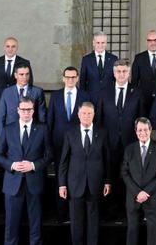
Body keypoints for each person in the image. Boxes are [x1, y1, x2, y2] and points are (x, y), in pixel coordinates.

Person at [0, 97, 50, 245]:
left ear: (33, 111)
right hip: (13, 182)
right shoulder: (8, 128)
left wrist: (33, 165)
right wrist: (12, 165)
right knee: (11, 225)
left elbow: (49, 155)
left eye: (29, 109)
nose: (26, 112)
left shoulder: (42, 128)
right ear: (18, 110)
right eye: (23, 109)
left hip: (34, 182)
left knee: (35, 224)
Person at [58, 102, 111, 245]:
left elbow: (107, 159)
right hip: (75, 184)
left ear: (94, 115)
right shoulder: (70, 133)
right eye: (84, 113)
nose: (86, 116)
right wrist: (62, 184)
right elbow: (64, 160)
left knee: (93, 223)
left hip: (95, 183)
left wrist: (107, 180)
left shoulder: (103, 132)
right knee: (76, 223)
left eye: (89, 113)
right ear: (78, 115)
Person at [97, 60, 142, 215]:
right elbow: (99, 119)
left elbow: (141, 118)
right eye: (118, 71)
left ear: (129, 73)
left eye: (124, 71)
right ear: (114, 73)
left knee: (130, 175)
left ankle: (129, 209)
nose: (121, 74)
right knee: (110, 175)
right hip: (109, 141)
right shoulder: (104, 92)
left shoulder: (137, 92)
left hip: (131, 142)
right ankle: (111, 209)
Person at [122, 118, 156, 245]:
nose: (143, 133)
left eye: (145, 130)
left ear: (150, 130)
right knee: (132, 232)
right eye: (140, 130)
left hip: (153, 197)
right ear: (136, 131)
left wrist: (145, 192)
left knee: (153, 233)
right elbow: (124, 173)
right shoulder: (129, 149)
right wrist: (137, 192)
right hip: (133, 197)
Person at [50, 65, 91, 155]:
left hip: (78, 139)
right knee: (59, 167)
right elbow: (50, 119)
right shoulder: (55, 96)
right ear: (63, 78)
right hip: (58, 139)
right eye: (67, 77)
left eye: (73, 77)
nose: (70, 80)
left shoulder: (85, 96)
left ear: (77, 78)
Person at [0, 64, 48, 130]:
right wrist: (1, 138)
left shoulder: (37, 92)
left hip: (32, 133)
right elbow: (1, 118)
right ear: (15, 75)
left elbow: (42, 117)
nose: (25, 77)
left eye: (27, 74)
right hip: (11, 134)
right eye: (21, 74)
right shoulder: (6, 92)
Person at [0, 37, 33, 110]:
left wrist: (26, 100)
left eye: (13, 46)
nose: (10, 49)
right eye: (8, 46)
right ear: (4, 48)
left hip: (18, 101)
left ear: (17, 48)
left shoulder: (25, 62)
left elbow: (29, 83)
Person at [80, 32, 119, 100]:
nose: (100, 45)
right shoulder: (86, 59)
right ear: (93, 43)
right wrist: (83, 99)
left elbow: (117, 80)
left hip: (109, 98)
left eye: (103, 42)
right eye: (98, 42)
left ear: (106, 43)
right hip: (91, 99)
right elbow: (82, 82)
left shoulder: (113, 59)